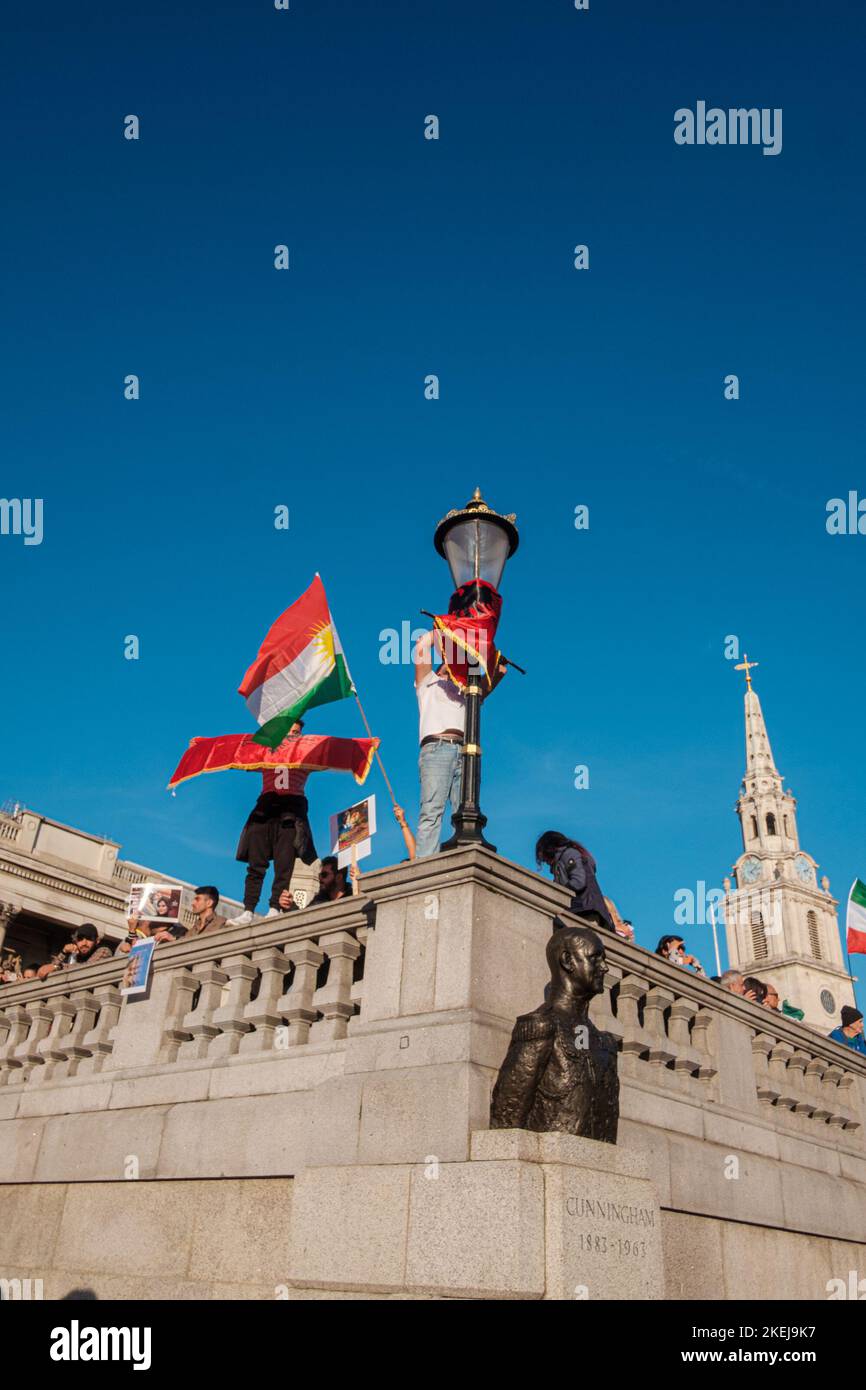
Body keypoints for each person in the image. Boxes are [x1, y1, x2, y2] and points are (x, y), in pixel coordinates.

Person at [413, 630, 505, 858]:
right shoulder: (428, 683)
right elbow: (421, 648)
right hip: (437, 748)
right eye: (449, 662)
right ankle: (425, 863)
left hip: (465, 752)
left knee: (463, 812)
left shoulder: (467, 691)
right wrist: (441, 630)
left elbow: (493, 678)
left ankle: (458, 860)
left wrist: (499, 666)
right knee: (431, 810)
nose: (454, 666)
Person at [228, 720, 318, 925]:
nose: (292, 736)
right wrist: (203, 747)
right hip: (266, 810)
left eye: (297, 732)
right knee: (256, 863)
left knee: (284, 863)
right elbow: (239, 758)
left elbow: (330, 757)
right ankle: (248, 910)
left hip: (290, 812)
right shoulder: (267, 753)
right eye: (289, 732)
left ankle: (275, 907)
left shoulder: (305, 756)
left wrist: (367, 747)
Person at [535, 832, 614, 933]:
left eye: (543, 856)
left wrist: (559, 891)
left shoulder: (569, 854)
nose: (544, 861)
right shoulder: (564, 859)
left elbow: (579, 881)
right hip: (583, 910)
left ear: (549, 848)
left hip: (585, 910)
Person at [37, 924, 113, 979]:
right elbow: (46, 970)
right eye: (80, 939)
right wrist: (63, 952)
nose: (84, 943)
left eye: (89, 939)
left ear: (97, 941)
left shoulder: (104, 951)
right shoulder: (75, 955)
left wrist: (58, 967)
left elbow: (86, 969)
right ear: (75, 941)